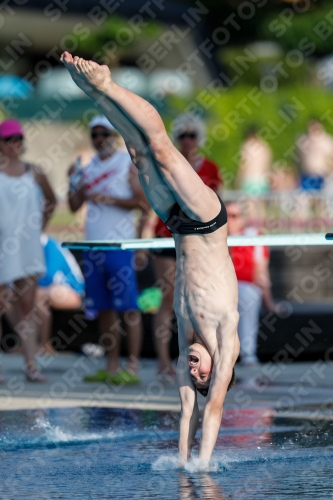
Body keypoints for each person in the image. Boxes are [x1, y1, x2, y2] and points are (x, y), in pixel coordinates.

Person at [61, 51, 240, 465]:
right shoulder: (223, 339)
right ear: (217, 374)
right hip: (207, 221)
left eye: (192, 375)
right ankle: (108, 83)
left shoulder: (186, 330)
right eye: (203, 376)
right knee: (160, 149)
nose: (194, 371)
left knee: (138, 153)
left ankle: (98, 96)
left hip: (178, 225)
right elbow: (211, 410)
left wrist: (182, 462)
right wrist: (203, 467)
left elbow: (188, 411)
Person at [67, 115, 147, 384]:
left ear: (114, 135)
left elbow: (143, 203)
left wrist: (109, 199)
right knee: (103, 309)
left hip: (120, 246)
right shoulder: (88, 167)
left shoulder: (127, 163)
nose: (100, 139)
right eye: (95, 135)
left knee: (129, 309)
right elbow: (74, 206)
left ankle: (132, 367)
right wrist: (72, 182)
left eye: (105, 134)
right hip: (94, 247)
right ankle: (112, 365)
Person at [147, 113, 223, 376]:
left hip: (197, 239)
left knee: (197, 299)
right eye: (183, 136)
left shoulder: (209, 168)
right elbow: (152, 201)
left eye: (192, 135)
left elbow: (215, 205)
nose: (187, 141)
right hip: (168, 235)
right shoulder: (169, 163)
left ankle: (197, 356)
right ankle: (163, 360)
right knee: (168, 298)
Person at [0, 119, 56, 382]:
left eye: (18, 139)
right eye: (9, 140)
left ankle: (31, 365)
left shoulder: (35, 171)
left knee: (27, 308)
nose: (15, 144)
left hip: (27, 247)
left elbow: (52, 200)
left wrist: (39, 228)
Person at [226, 201, 276, 366]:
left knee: (247, 296)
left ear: (242, 219)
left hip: (245, 285)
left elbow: (261, 270)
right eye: (225, 216)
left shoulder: (254, 234)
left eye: (234, 216)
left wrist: (269, 302)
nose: (229, 220)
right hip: (219, 288)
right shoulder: (212, 236)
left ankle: (247, 353)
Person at [297, 118, 333, 190]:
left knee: (322, 197)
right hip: (307, 174)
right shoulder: (304, 140)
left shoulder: (327, 141)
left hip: (323, 175)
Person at [236, 125, 272, 196]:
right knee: (261, 204)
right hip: (263, 181)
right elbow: (268, 166)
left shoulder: (247, 145)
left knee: (250, 204)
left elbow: (243, 165)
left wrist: (238, 180)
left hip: (249, 180)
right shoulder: (265, 146)